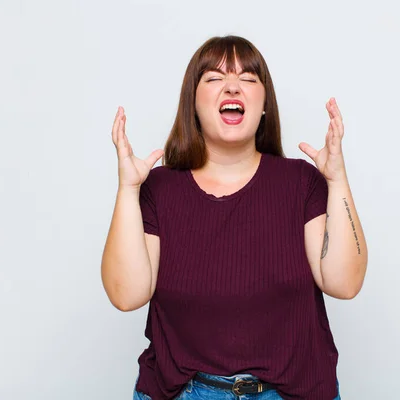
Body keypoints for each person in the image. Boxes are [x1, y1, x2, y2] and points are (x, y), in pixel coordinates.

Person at [101, 35, 368, 400]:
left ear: (263, 106)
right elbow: (126, 295)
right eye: (213, 78)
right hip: (185, 393)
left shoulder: (301, 183)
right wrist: (128, 190)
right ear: (192, 104)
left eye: (248, 78)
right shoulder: (158, 188)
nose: (232, 86)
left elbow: (345, 284)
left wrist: (337, 181)